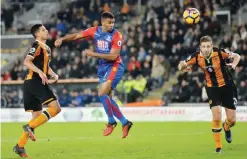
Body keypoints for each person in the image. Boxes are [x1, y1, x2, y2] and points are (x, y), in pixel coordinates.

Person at [54, 11, 133, 138]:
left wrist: (94, 54)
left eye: (113, 22)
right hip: (102, 67)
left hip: (114, 66)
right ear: (102, 22)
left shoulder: (117, 35)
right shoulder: (94, 30)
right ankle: (121, 122)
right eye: (109, 23)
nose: (112, 25)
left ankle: (115, 121)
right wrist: (62, 39)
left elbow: (113, 56)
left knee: (101, 93)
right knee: (107, 97)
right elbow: (77, 36)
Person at [178, 36, 240, 153]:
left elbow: (237, 56)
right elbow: (182, 63)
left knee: (232, 120)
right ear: (200, 47)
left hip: (227, 87)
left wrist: (234, 64)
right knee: (216, 116)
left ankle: (226, 127)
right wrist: (182, 67)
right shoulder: (196, 57)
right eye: (203, 47)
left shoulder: (220, 52)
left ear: (212, 46)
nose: (206, 49)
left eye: (208, 46)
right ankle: (218, 147)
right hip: (212, 88)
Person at [13, 24, 61, 157]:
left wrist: (53, 74)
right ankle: (29, 128)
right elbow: (27, 62)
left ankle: (20, 146)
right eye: (44, 30)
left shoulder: (47, 48)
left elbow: (46, 67)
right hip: (34, 82)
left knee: (36, 117)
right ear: (37, 34)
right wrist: (40, 72)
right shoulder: (37, 45)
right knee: (56, 108)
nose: (47, 31)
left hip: (32, 83)